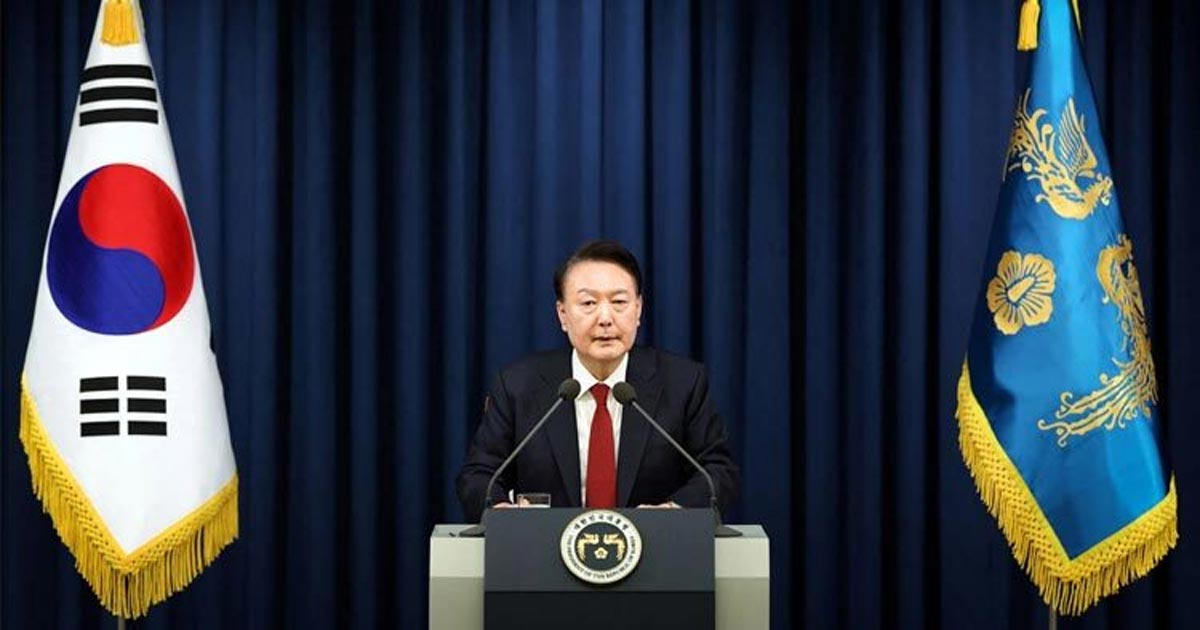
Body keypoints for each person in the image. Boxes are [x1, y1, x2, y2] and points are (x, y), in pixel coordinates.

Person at [456, 239, 739, 522]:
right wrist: (502, 512)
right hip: (544, 548)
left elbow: (718, 470)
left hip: (654, 547)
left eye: (619, 302)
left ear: (638, 309)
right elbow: (479, 475)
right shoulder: (518, 385)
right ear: (563, 314)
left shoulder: (683, 383)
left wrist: (673, 513)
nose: (605, 318)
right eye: (589, 303)